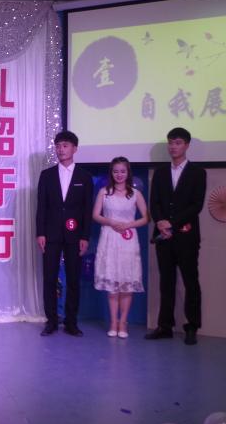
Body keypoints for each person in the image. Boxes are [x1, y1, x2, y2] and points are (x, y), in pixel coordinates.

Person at [146, 127, 207, 345]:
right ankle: (165, 326)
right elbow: (154, 202)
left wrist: (172, 222)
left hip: (186, 236)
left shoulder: (198, 173)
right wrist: (160, 222)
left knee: (191, 281)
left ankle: (192, 326)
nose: (173, 147)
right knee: (166, 281)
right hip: (163, 236)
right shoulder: (160, 172)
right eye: (171, 143)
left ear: (187, 145)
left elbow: (196, 205)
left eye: (178, 143)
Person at [35, 130, 94, 336]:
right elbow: (41, 207)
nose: (61, 149)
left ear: (75, 149)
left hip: (75, 236)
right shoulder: (47, 175)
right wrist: (40, 233)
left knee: (73, 279)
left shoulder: (85, 177)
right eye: (58, 146)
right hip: (50, 235)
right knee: (49, 278)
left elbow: (87, 209)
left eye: (65, 145)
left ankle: (71, 322)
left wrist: (85, 236)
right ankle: (51, 321)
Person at [92, 157, 149, 338]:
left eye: (122, 171)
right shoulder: (104, 192)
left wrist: (129, 224)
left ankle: (123, 322)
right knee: (112, 285)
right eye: (116, 171)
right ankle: (113, 322)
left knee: (126, 283)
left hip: (128, 240)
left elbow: (146, 218)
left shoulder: (135, 194)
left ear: (128, 172)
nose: (119, 175)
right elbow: (95, 215)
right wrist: (111, 222)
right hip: (109, 238)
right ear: (111, 173)